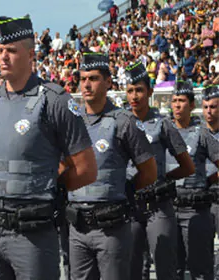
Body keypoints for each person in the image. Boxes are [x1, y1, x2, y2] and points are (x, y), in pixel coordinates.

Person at [0, 15, 97, 280]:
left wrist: (51, 190)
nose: (3, 57)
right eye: (0, 51)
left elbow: (86, 169)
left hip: (32, 236)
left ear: (31, 55)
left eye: (11, 51)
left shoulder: (54, 101)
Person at [68, 53, 157, 280]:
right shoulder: (72, 123)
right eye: (83, 78)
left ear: (108, 82)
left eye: (94, 78)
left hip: (111, 227)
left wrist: (124, 190)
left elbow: (149, 171)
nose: (87, 84)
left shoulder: (124, 121)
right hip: (77, 228)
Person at [124, 62, 195, 280]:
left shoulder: (163, 124)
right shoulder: (119, 122)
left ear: (150, 92)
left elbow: (187, 166)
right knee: (133, 268)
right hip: (130, 206)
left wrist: (164, 178)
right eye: (130, 91)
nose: (134, 96)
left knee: (165, 266)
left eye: (139, 90)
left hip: (158, 206)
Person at [167, 80, 219, 280]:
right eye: (174, 101)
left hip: (195, 210)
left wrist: (209, 181)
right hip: (169, 209)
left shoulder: (202, 134)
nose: (177, 105)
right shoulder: (164, 132)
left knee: (200, 271)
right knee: (173, 270)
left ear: (191, 105)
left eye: (182, 101)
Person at [202, 85, 219, 278]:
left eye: (213, 107)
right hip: (203, 199)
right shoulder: (198, 134)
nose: (209, 111)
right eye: (206, 107)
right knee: (202, 249)